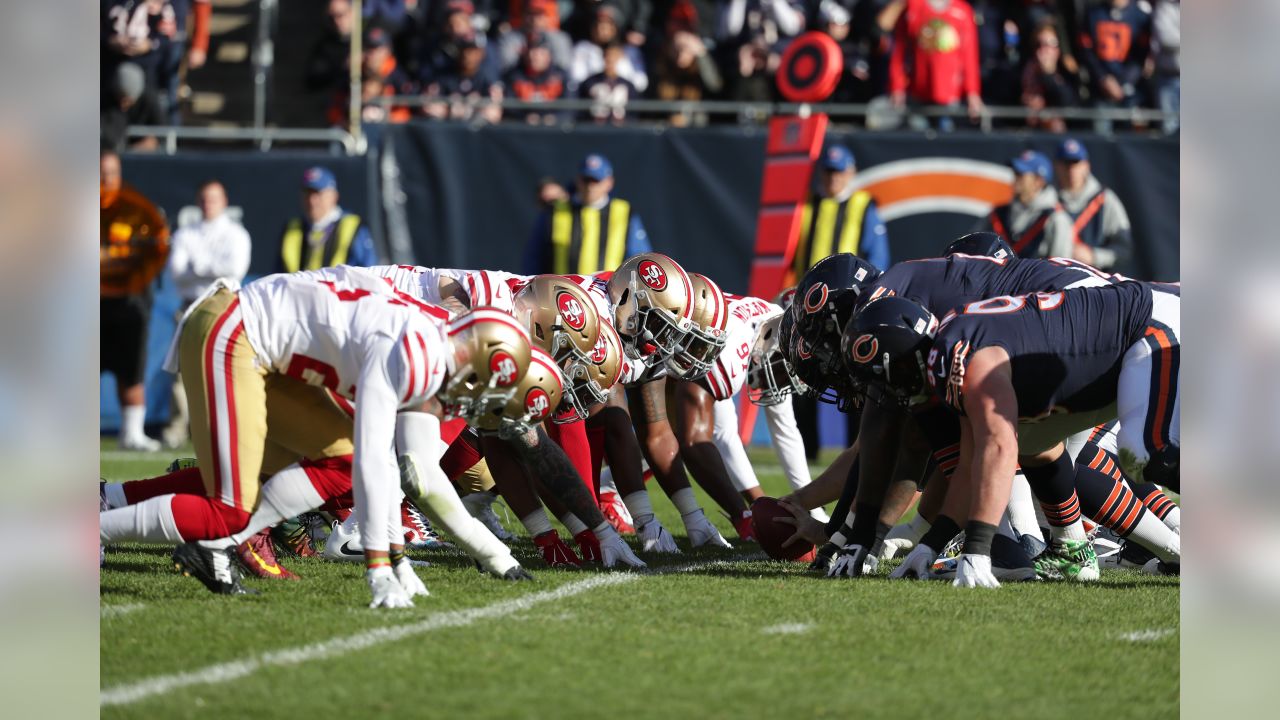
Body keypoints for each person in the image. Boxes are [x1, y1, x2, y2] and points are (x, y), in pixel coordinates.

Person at [99, 270, 536, 604]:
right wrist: (380, 568)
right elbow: (377, 458)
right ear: (472, 357)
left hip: (265, 346)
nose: (477, 398)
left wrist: (408, 560)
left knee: (337, 462)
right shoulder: (410, 352)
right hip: (234, 332)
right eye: (483, 384)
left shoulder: (430, 340)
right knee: (229, 509)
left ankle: (214, 546)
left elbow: (398, 468)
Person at [849, 280, 1180, 587]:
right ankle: (1073, 550)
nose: (887, 396)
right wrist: (930, 545)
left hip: (1151, 329)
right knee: (1034, 445)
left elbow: (999, 446)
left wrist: (977, 549)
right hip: (1107, 355)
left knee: (1145, 453)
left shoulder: (962, 355)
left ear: (905, 363)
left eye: (884, 382)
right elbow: (970, 464)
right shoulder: (950, 348)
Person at [788, 146, 889, 459]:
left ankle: (857, 449)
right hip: (808, 310)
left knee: (855, 381)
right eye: (828, 172)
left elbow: (878, 258)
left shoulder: (863, 205)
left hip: (847, 307)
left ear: (851, 173)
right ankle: (807, 450)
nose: (832, 178)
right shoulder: (806, 204)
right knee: (802, 377)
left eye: (838, 172)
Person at [161, 180, 252, 448]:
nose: (208, 203)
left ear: (224, 201)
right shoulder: (186, 234)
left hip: (224, 305)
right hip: (189, 306)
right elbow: (176, 272)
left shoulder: (236, 234)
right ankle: (178, 428)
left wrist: (197, 266)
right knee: (181, 369)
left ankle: (223, 429)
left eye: (214, 198)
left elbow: (234, 270)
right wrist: (213, 269)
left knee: (225, 368)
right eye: (204, 198)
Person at [100, 149, 170, 451]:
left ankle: (132, 433)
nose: (106, 179)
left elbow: (153, 252)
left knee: (131, 368)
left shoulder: (136, 210)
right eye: (101, 172)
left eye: (111, 172)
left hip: (129, 301)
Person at [523, 153, 650, 275]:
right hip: (560, 293)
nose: (590, 187)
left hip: (605, 294)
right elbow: (534, 258)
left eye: (596, 181)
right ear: (577, 180)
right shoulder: (555, 211)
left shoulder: (624, 212)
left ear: (609, 182)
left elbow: (640, 259)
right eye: (586, 180)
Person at [888, 0, 984, 131]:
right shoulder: (913, 7)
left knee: (946, 142)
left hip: (950, 93)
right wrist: (897, 87)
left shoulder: (962, 11)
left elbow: (969, 55)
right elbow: (900, 52)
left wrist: (972, 92)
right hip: (919, 90)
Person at [1053, 138, 1133, 272]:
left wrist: (1094, 256)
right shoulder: (1048, 200)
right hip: (1053, 279)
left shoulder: (1104, 199)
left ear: (1086, 165)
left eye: (1075, 163)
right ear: (1056, 166)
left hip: (1095, 280)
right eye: (1065, 164)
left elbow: (1123, 248)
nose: (1071, 169)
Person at [277, 166, 377, 273]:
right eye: (307, 194)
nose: (312, 201)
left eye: (318, 194)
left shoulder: (354, 228)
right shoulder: (292, 228)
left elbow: (368, 273)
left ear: (334, 196)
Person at [976, 150, 1072, 259]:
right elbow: (975, 248)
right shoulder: (999, 213)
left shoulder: (1056, 219)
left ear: (1038, 181)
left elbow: (1060, 269)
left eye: (1021, 174)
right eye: (1015, 173)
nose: (1015, 178)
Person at [1078, 0, 1152, 134]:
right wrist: (1103, 78)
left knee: (1132, 140)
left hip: (1130, 91)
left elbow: (1141, 56)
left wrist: (1124, 82)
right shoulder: (1093, 13)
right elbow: (1086, 51)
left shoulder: (1141, 15)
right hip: (1100, 90)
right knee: (1101, 139)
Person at [568, 5, 648, 95]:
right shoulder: (583, 48)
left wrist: (616, 78)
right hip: (593, 97)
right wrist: (602, 78)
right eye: (599, 24)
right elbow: (576, 80)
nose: (602, 29)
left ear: (615, 28)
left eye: (607, 25)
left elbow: (641, 83)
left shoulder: (630, 51)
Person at [1020, 20, 1080, 134]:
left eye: (1048, 45)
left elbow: (1068, 103)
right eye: (1039, 45)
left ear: (1057, 49)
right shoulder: (1026, 71)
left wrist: (1048, 75)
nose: (1043, 50)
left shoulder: (1067, 71)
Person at [100, 62, 164, 153]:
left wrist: (139, 148)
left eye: (127, 100)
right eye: (120, 97)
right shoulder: (106, 100)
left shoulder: (150, 100)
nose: (123, 105)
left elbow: (161, 131)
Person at [578, 42, 639, 124]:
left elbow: (633, 113)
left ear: (620, 58)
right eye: (608, 55)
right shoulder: (589, 82)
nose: (610, 59)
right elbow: (582, 110)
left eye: (614, 56)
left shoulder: (628, 85)